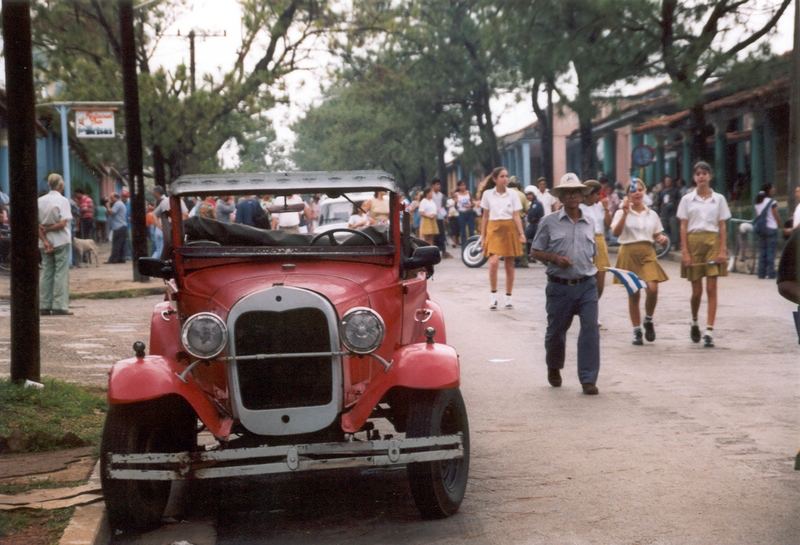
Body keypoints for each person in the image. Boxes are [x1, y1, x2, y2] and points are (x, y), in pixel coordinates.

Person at [530, 173, 600, 395]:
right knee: (556, 332)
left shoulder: (590, 221)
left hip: (587, 284)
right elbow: (535, 251)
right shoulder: (548, 222)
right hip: (559, 286)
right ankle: (554, 366)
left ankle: (588, 379)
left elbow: (594, 255)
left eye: (575, 192)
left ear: (582, 195)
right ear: (560, 196)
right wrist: (555, 259)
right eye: (566, 193)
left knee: (590, 329)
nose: (571, 196)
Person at [677, 160, 731, 348]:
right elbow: (683, 226)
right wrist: (685, 252)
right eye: (698, 173)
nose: (701, 176)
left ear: (710, 176)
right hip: (693, 243)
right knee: (697, 291)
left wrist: (723, 249)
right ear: (694, 177)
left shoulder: (719, 199)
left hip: (713, 242)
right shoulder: (686, 200)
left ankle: (709, 330)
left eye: (705, 173)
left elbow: (723, 225)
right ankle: (694, 320)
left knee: (711, 287)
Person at [611, 178, 670, 345]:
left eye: (640, 189)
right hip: (628, 252)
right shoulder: (621, 212)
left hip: (647, 253)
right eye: (633, 190)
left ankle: (648, 319)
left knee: (653, 288)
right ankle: (636, 330)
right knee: (634, 293)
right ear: (628, 195)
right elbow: (616, 233)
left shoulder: (652, 214)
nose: (637, 192)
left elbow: (656, 234)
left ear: (644, 192)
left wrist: (661, 238)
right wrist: (624, 213)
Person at [479, 167, 525, 310]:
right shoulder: (487, 194)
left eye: (506, 176)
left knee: (509, 264)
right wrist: (482, 236)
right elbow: (485, 216)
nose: (505, 179)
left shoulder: (513, 194)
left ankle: (508, 296)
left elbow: (516, 215)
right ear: (495, 179)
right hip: (493, 229)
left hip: (509, 228)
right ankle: (493, 296)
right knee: (493, 262)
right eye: (502, 176)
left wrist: (521, 233)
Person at [38, 173, 73, 315]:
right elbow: (63, 223)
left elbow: (37, 225)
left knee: (46, 272)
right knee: (60, 273)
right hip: (61, 241)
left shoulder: (39, 201)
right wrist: (49, 228)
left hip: (44, 241)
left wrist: (45, 240)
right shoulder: (63, 200)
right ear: (60, 185)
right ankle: (59, 305)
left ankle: (44, 305)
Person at [580, 180, 611, 299]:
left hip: (600, 241)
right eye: (597, 194)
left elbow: (609, 224)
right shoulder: (579, 208)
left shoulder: (599, 207)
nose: (599, 197)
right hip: (585, 241)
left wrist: (606, 209)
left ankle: (594, 304)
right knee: (587, 277)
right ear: (588, 194)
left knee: (601, 276)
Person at [753, 183, 781, 279]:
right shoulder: (772, 202)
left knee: (762, 252)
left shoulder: (758, 202)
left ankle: (761, 273)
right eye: (773, 188)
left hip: (761, 229)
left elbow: (757, 216)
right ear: (768, 190)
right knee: (771, 252)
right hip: (771, 228)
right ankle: (771, 273)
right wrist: (779, 223)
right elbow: (775, 214)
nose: (774, 189)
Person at [655, 175, 680, 250]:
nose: (667, 182)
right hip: (664, 213)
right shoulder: (662, 192)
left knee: (674, 228)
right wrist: (659, 212)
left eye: (669, 181)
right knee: (664, 229)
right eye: (666, 181)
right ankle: (665, 245)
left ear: (671, 182)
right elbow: (658, 203)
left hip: (673, 213)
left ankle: (675, 244)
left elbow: (679, 202)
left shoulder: (676, 191)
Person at [106, 192, 128, 263]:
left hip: (118, 226)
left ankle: (113, 259)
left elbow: (112, 212)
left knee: (116, 244)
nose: (111, 200)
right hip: (122, 226)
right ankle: (121, 259)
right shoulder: (121, 204)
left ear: (116, 197)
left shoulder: (118, 204)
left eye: (112, 198)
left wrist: (108, 206)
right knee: (122, 244)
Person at [523, 185, 544, 260]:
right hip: (534, 225)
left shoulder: (536, 204)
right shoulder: (533, 203)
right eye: (527, 195)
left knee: (523, 238)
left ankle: (524, 258)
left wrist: (529, 215)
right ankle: (530, 256)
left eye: (530, 194)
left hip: (535, 225)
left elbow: (532, 215)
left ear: (534, 194)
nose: (528, 196)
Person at [431, 179, 450, 257]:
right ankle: (434, 252)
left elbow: (444, 206)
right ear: (433, 186)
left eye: (439, 185)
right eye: (437, 184)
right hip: (432, 217)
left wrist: (445, 216)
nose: (438, 186)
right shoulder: (430, 194)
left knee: (442, 234)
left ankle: (444, 251)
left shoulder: (442, 195)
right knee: (434, 236)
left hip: (440, 217)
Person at [454, 180, 475, 249]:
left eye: (464, 185)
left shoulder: (469, 193)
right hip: (462, 213)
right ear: (458, 186)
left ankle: (472, 245)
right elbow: (455, 206)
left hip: (469, 213)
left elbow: (473, 203)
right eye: (461, 185)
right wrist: (456, 202)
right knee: (463, 231)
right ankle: (464, 247)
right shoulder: (456, 194)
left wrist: (470, 205)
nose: (463, 187)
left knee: (471, 230)